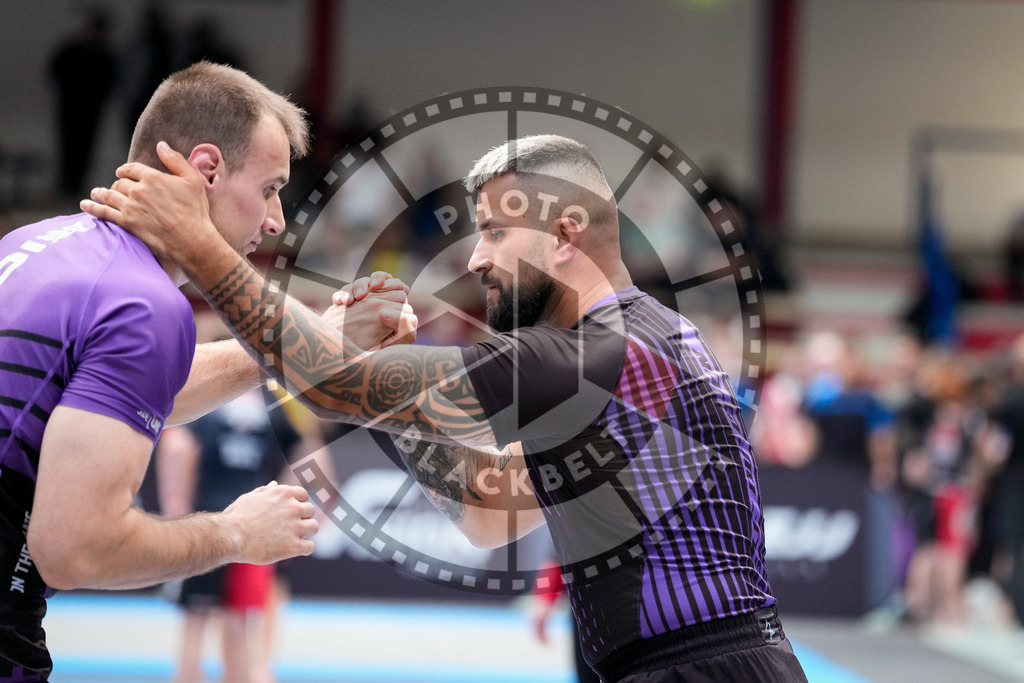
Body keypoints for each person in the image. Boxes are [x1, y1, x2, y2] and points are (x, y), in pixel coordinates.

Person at [83, 133, 807, 681]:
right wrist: (395, 404)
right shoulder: (651, 337)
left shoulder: (586, 356)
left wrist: (197, 241)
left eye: (494, 232)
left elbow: (327, 382)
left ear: (565, 237)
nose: (475, 259)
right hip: (721, 661)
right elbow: (489, 512)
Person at [0, 61, 410, 681]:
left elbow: (116, 385)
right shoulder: (143, 303)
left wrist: (308, 339)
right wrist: (237, 533)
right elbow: (74, 550)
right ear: (207, 170)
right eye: (270, 188)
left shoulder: (37, 244)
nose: (276, 220)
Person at [157, 387, 303, 683]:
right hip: (254, 523)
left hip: (208, 521)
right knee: (240, 622)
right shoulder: (272, 405)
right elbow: (309, 451)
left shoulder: (210, 397)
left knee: (196, 619)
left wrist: (175, 503)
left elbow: (176, 448)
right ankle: (249, 674)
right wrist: (287, 496)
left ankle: (189, 676)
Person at [48, 7, 117, 197]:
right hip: (72, 107)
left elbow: (110, 81)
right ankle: (67, 185)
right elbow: (54, 70)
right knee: (69, 147)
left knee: (83, 150)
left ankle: (74, 186)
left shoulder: (102, 56)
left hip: (88, 110)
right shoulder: (75, 51)